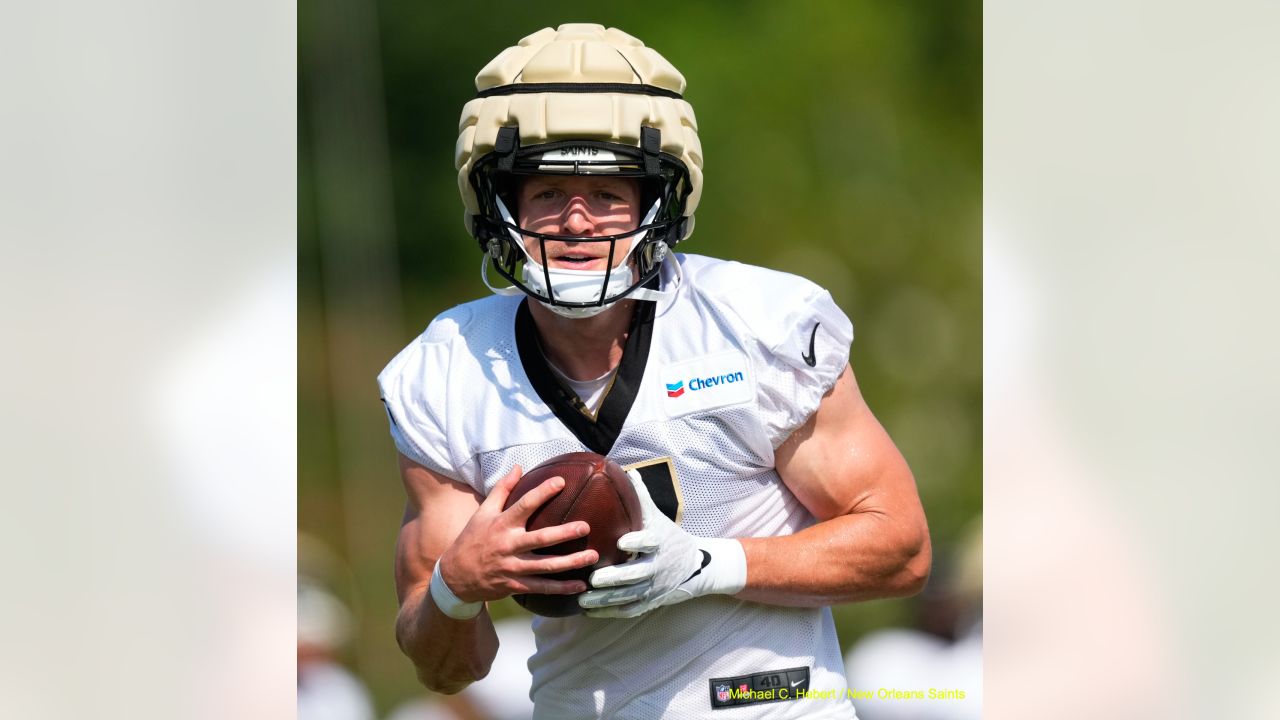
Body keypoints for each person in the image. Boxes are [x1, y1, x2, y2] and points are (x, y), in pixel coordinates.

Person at [378, 23, 930, 720]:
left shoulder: (756, 323)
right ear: (500, 207)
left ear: (656, 202)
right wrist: (456, 587)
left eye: (608, 193)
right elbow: (447, 670)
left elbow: (899, 547)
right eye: (547, 193)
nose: (577, 222)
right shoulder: (447, 372)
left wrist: (707, 566)